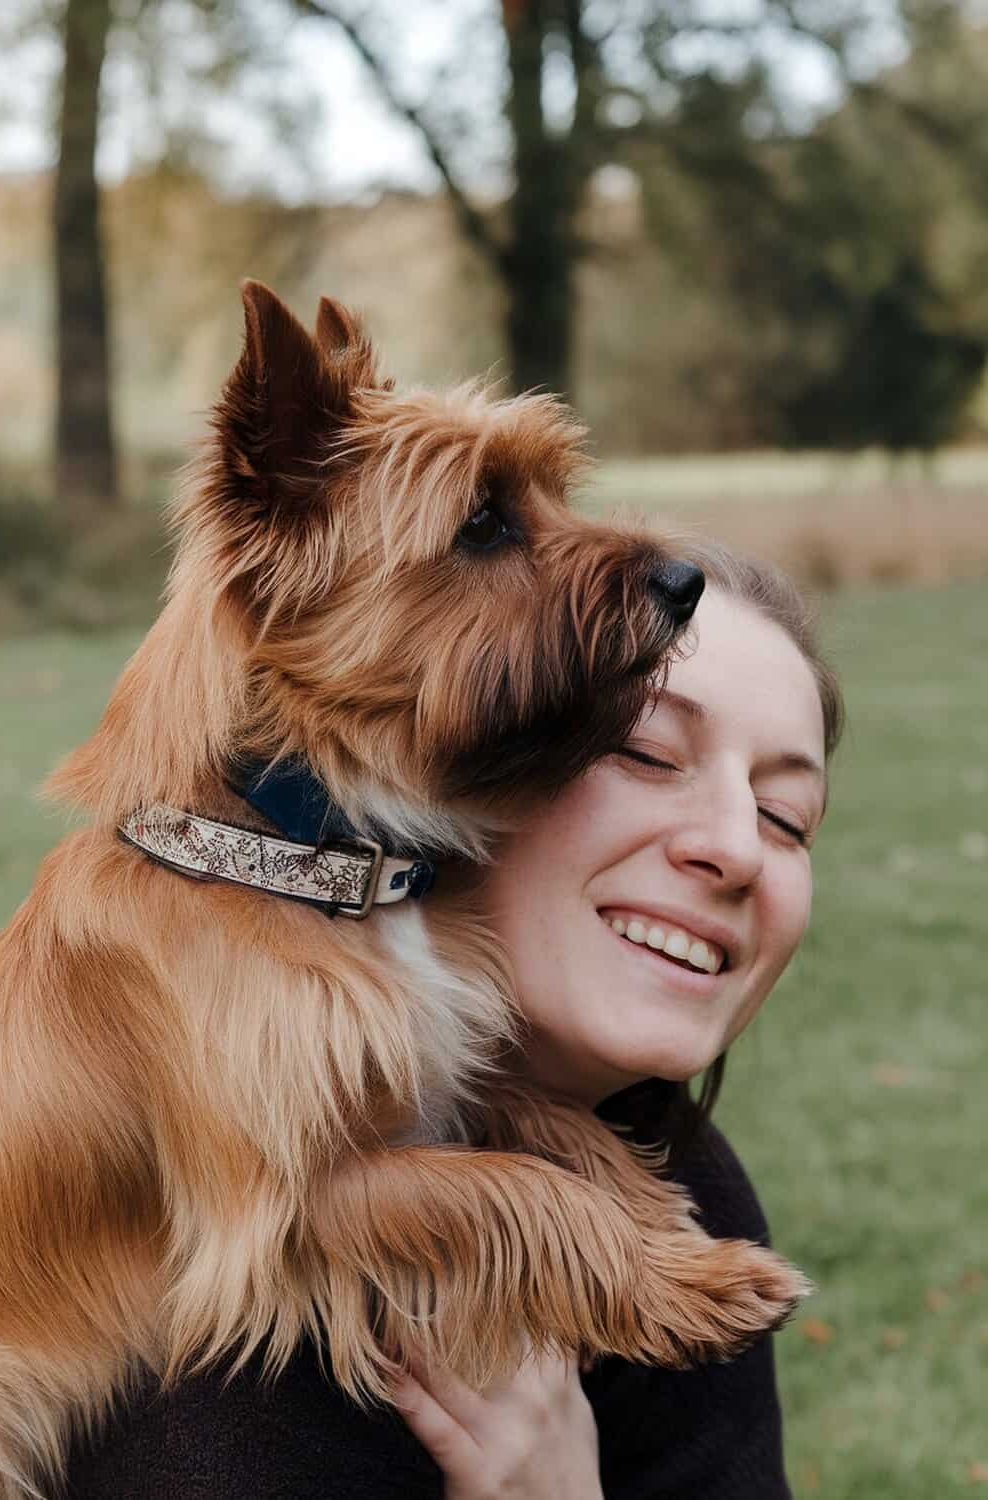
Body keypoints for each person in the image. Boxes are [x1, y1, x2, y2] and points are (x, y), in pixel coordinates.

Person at [64, 542, 843, 1500]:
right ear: (437, 761)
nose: (737, 847)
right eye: (644, 753)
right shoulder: (215, 1358)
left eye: (787, 815)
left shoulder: (686, 1187)